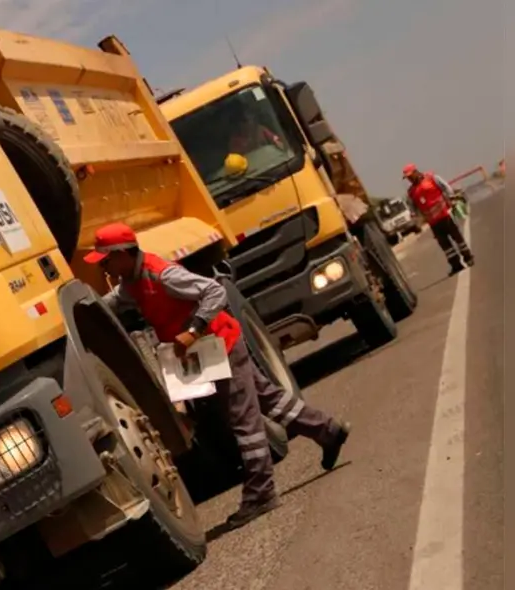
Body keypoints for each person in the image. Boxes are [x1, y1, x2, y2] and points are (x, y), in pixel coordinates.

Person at [84, 222, 351, 528]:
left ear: (123, 254)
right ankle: (328, 430)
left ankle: (261, 492)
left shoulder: (163, 274)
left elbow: (214, 291)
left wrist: (193, 330)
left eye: (106, 260)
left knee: (243, 420)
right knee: (269, 400)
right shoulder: (132, 281)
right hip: (212, 349)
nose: (104, 266)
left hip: (219, 345)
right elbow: (116, 302)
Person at [402, 163, 474, 275]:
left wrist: (452, 199)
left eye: (410, 176)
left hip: (445, 215)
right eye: (407, 178)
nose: (410, 179)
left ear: (416, 172)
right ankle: (456, 265)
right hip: (433, 223)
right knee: (445, 245)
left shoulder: (431, 178)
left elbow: (446, 187)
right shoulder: (411, 192)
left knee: (457, 238)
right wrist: (415, 218)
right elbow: (412, 207)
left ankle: (468, 258)